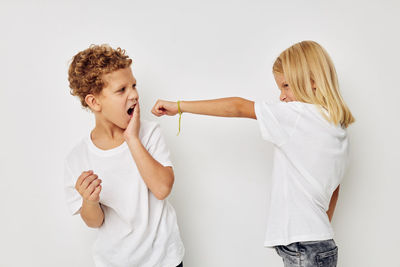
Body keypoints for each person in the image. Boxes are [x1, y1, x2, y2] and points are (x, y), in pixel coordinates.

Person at [151, 40, 354, 267]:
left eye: (286, 86)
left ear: (313, 81)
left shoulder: (298, 115)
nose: (282, 97)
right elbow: (334, 188)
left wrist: (179, 106)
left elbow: (237, 106)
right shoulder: (336, 125)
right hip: (321, 243)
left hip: (303, 248)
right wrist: (315, 228)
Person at [64, 44, 184, 267]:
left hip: (165, 258)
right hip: (116, 262)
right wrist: (89, 201)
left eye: (134, 85)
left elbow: (162, 189)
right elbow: (94, 221)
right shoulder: (78, 158)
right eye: (122, 90)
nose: (135, 95)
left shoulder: (149, 134)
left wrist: (133, 139)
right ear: (94, 102)